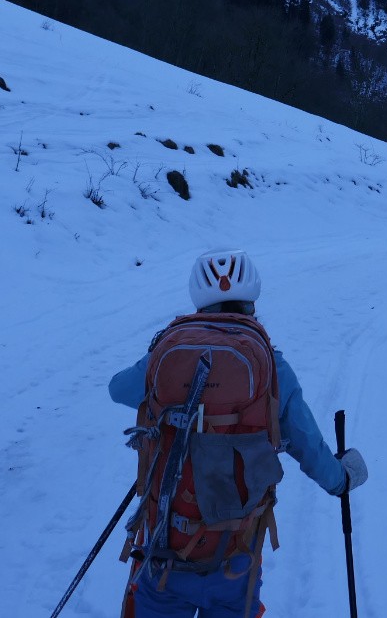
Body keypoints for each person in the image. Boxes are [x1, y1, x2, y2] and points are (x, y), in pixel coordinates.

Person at [109, 249, 368, 618]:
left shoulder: (169, 351)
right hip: (233, 559)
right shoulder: (271, 365)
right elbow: (307, 443)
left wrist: (162, 371)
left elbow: (118, 389)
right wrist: (340, 480)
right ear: (252, 301)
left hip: (163, 554)